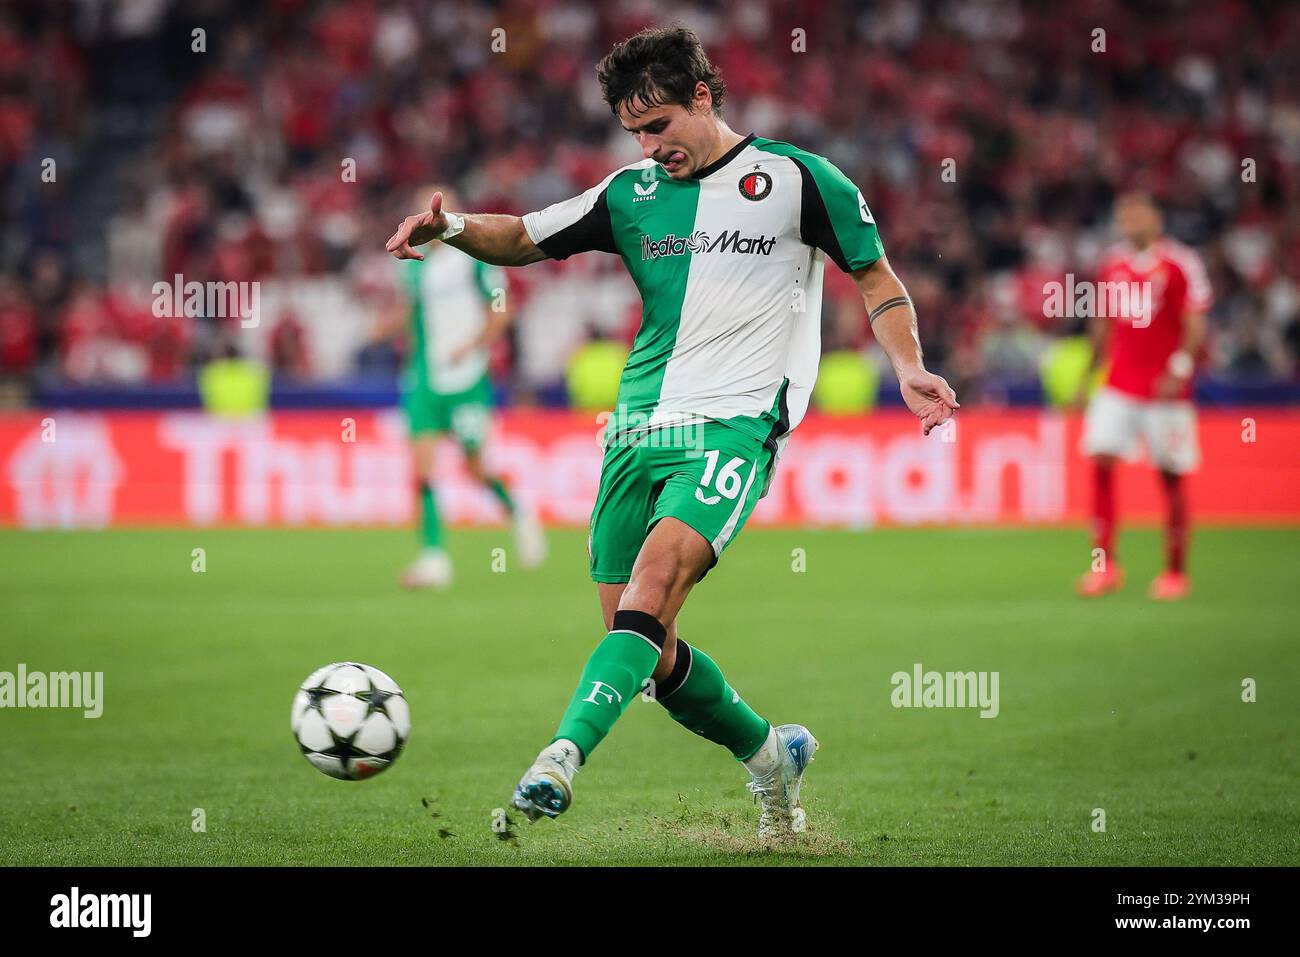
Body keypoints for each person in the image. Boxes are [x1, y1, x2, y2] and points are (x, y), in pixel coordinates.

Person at [386, 27, 957, 837]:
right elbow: (520, 236)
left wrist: (908, 366)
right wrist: (447, 228)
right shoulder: (630, 195)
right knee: (644, 649)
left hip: (736, 424)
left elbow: (874, 273)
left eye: (658, 126)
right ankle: (770, 756)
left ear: (702, 96)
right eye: (634, 133)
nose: (651, 147)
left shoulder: (797, 180)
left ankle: (560, 755)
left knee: (650, 594)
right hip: (636, 428)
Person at [388, 184, 545, 589]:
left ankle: (519, 512)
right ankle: (434, 558)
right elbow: (412, 316)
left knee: (474, 468)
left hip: (467, 378)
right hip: (425, 378)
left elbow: (500, 308)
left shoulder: (473, 259)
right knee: (421, 468)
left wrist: (472, 347)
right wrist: (388, 334)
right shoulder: (411, 264)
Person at [1076, 191, 1212, 600]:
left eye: (1137, 213)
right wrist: (1088, 376)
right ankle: (1105, 566)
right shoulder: (1112, 264)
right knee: (1100, 461)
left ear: (1156, 216)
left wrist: (1180, 369)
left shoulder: (1180, 262)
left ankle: (1174, 571)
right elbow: (1104, 324)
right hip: (1118, 385)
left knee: (1170, 477)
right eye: (1124, 214)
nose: (1129, 220)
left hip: (1165, 392)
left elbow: (1195, 324)